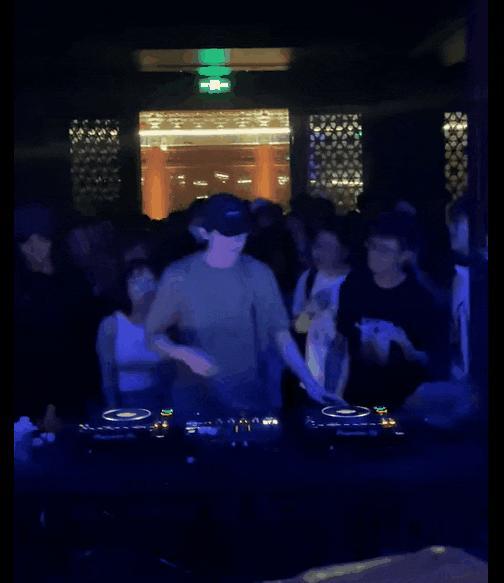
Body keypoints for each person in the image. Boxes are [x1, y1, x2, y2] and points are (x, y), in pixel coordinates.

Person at [145, 193, 343, 419]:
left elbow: (281, 335)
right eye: (227, 234)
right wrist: (183, 353)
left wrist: (310, 383)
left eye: (241, 232)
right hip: (194, 399)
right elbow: (153, 336)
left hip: (248, 396)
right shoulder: (179, 276)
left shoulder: (259, 273)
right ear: (204, 233)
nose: (237, 240)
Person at [337, 211, 450, 410]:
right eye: (372, 246)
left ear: (405, 256)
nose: (374, 254)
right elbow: (343, 331)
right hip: (357, 393)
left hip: (405, 400)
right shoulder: (355, 284)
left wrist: (408, 350)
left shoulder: (421, 298)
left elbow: (434, 357)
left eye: (384, 250)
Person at [14, 204, 101, 428]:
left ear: (52, 240)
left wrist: (56, 403)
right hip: (27, 398)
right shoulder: (20, 288)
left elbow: (82, 344)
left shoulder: (74, 283)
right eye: (25, 241)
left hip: (73, 395)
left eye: (40, 239)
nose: (32, 248)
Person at [96, 259, 170, 411]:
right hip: (126, 403)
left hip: (160, 401)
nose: (145, 288)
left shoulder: (162, 323)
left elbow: (171, 375)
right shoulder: (111, 325)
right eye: (137, 282)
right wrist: (113, 410)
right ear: (126, 288)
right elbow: (107, 375)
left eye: (150, 281)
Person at [292, 217, 351, 393]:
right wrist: (309, 311)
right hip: (314, 372)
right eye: (318, 246)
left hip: (349, 375)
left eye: (328, 248)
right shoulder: (308, 279)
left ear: (344, 251)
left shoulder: (357, 282)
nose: (319, 253)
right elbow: (299, 328)